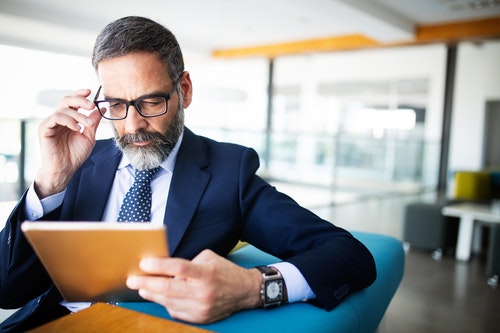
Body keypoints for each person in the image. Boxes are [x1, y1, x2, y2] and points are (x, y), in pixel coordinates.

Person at [0, 16, 376, 332]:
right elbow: (8, 290)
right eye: (116, 104)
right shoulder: (76, 162)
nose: (133, 125)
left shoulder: (230, 172)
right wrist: (52, 179)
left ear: (184, 90)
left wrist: (251, 287)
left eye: (151, 101)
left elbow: (349, 255)